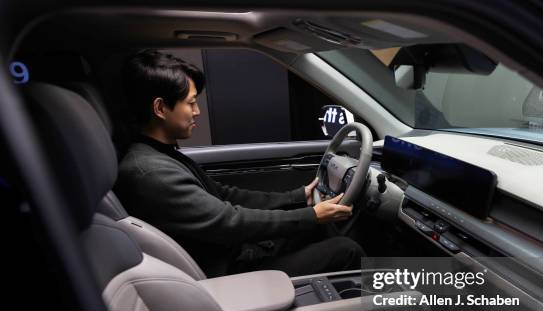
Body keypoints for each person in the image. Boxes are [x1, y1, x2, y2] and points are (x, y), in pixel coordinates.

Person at [114, 50, 365, 277]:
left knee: (317, 228)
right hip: (230, 271)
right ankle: (392, 308)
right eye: (190, 103)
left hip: (233, 251)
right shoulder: (150, 173)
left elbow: (225, 195)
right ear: (160, 108)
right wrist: (311, 214)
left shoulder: (161, 154)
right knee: (346, 249)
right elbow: (230, 221)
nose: (197, 111)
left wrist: (297, 197)